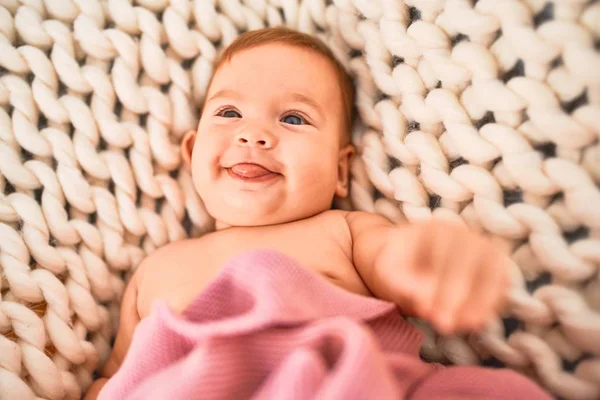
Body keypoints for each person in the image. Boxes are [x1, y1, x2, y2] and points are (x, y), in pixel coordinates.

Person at [84, 27, 541, 399]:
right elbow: (115, 378)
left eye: (293, 119)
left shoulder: (343, 232)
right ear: (191, 150)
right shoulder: (156, 268)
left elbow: (393, 259)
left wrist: (426, 261)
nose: (254, 134)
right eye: (228, 112)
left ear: (340, 170)